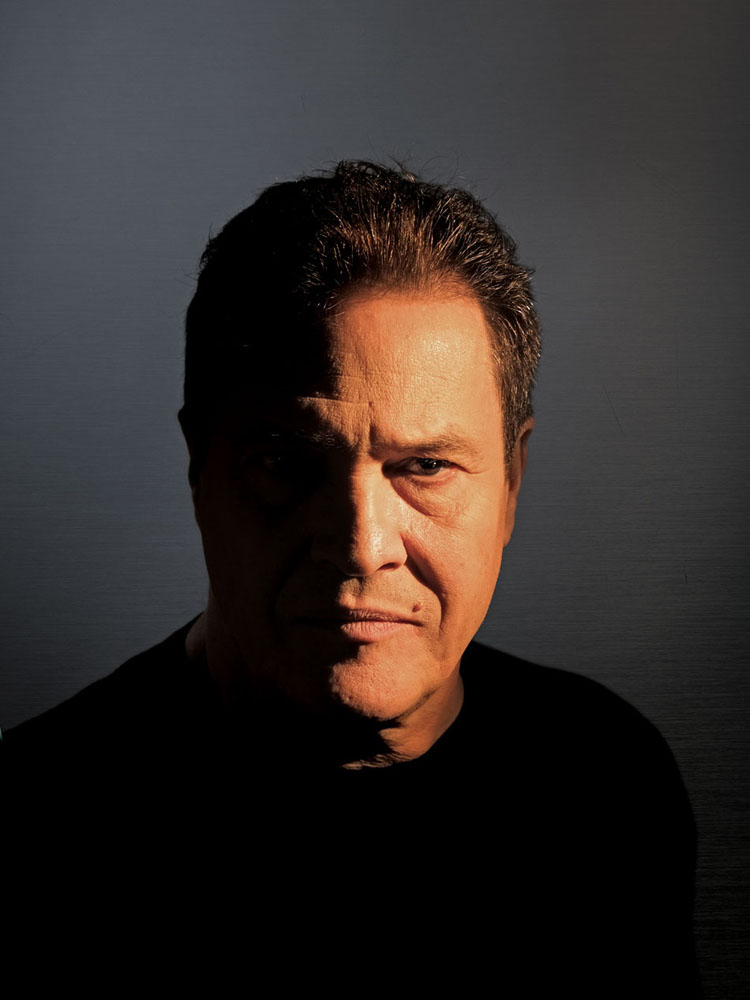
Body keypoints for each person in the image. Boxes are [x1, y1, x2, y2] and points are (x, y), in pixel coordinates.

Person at [3, 162, 700, 993]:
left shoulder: (610, 783)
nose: (363, 546)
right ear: (199, 469)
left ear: (512, 482)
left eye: (426, 466)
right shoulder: (34, 826)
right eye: (287, 465)